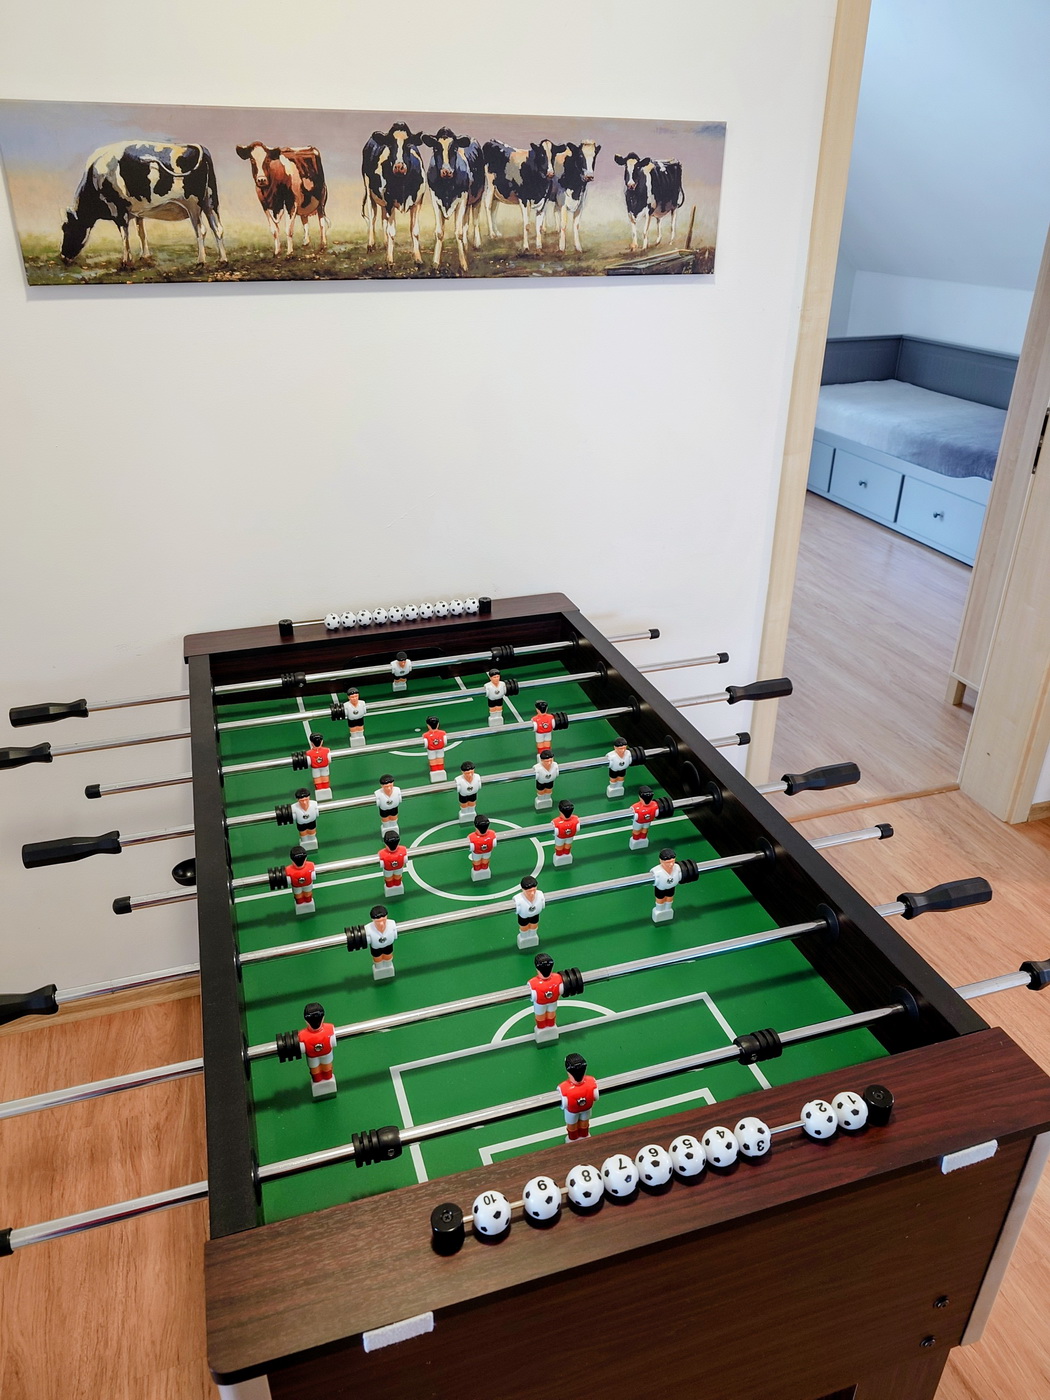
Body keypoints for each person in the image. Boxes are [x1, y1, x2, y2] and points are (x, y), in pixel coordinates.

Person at [297, 1002, 337, 1096]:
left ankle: (327, 1081)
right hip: (313, 1057)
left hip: (326, 1055)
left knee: (327, 1070)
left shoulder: (330, 1029)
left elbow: (333, 1041)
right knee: (316, 1073)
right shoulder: (302, 1035)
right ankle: (318, 1082)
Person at [559, 1052, 598, 1141]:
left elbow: (564, 1104)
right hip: (586, 1109)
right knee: (584, 1124)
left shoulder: (563, 1088)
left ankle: (573, 1138)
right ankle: (584, 1136)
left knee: (572, 1126)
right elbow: (595, 1097)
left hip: (572, 1112)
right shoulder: (592, 1082)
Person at [528, 951, 563, 1043]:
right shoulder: (558, 978)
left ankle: (546, 1026)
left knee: (546, 1014)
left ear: (537, 969)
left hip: (543, 1003)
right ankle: (545, 1026)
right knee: (546, 1014)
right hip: (546, 1003)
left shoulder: (532, 983)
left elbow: (532, 996)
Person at [363, 903, 398, 980]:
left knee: (388, 957)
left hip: (388, 946)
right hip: (376, 948)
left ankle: (388, 967)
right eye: (378, 922)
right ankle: (379, 969)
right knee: (378, 959)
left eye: (383, 920)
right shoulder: (368, 929)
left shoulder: (392, 924)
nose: (381, 924)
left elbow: (395, 935)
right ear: (373, 920)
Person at [551, 798, 579, 867]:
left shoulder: (555, 822)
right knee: (568, 845)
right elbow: (577, 828)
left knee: (559, 846)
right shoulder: (576, 819)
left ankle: (559, 855)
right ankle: (567, 853)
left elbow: (554, 832)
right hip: (570, 837)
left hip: (560, 838)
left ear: (560, 811)